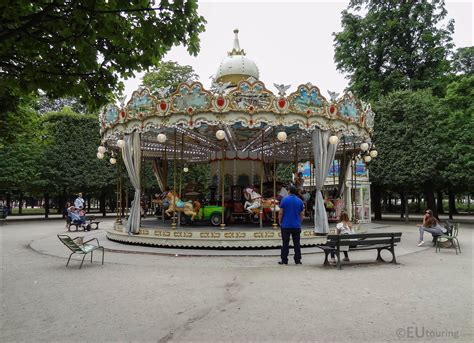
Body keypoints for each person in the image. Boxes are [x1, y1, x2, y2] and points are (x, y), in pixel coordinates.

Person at [278, 185, 304, 265]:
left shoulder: (284, 200)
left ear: (289, 191)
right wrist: (299, 222)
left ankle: (284, 260)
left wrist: (280, 221)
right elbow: (302, 214)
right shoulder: (300, 201)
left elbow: (280, 212)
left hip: (285, 225)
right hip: (296, 225)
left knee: (285, 243)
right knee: (297, 243)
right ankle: (298, 260)